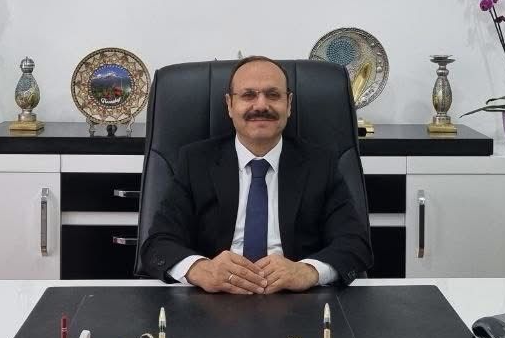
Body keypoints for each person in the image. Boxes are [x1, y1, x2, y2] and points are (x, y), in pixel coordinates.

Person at [138, 56, 373, 293]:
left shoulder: (320, 164)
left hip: (298, 299)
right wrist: (200, 270)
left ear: (289, 104)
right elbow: (158, 243)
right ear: (229, 104)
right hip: (214, 297)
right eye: (248, 95)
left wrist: (308, 271)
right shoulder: (195, 161)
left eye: (273, 95)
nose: (261, 105)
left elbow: (355, 244)